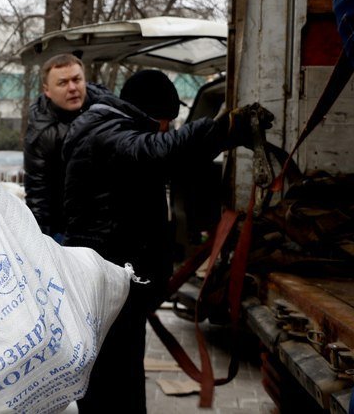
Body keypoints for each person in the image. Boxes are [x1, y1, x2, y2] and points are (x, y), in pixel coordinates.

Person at [61, 69, 272, 413]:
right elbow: (156, 152)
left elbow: (168, 161)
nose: (167, 129)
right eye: (166, 121)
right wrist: (222, 130)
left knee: (123, 377)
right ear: (148, 114)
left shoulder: (111, 127)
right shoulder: (107, 132)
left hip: (116, 284)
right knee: (111, 383)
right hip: (104, 286)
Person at [23, 54, 107, 241]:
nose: (72, 88)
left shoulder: (107, 109)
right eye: (62, 83)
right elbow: (38, 194)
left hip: (109, 225)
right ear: (47, 90)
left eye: (77, 80)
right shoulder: (41, 134)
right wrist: (39, 243)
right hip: (66, 230)